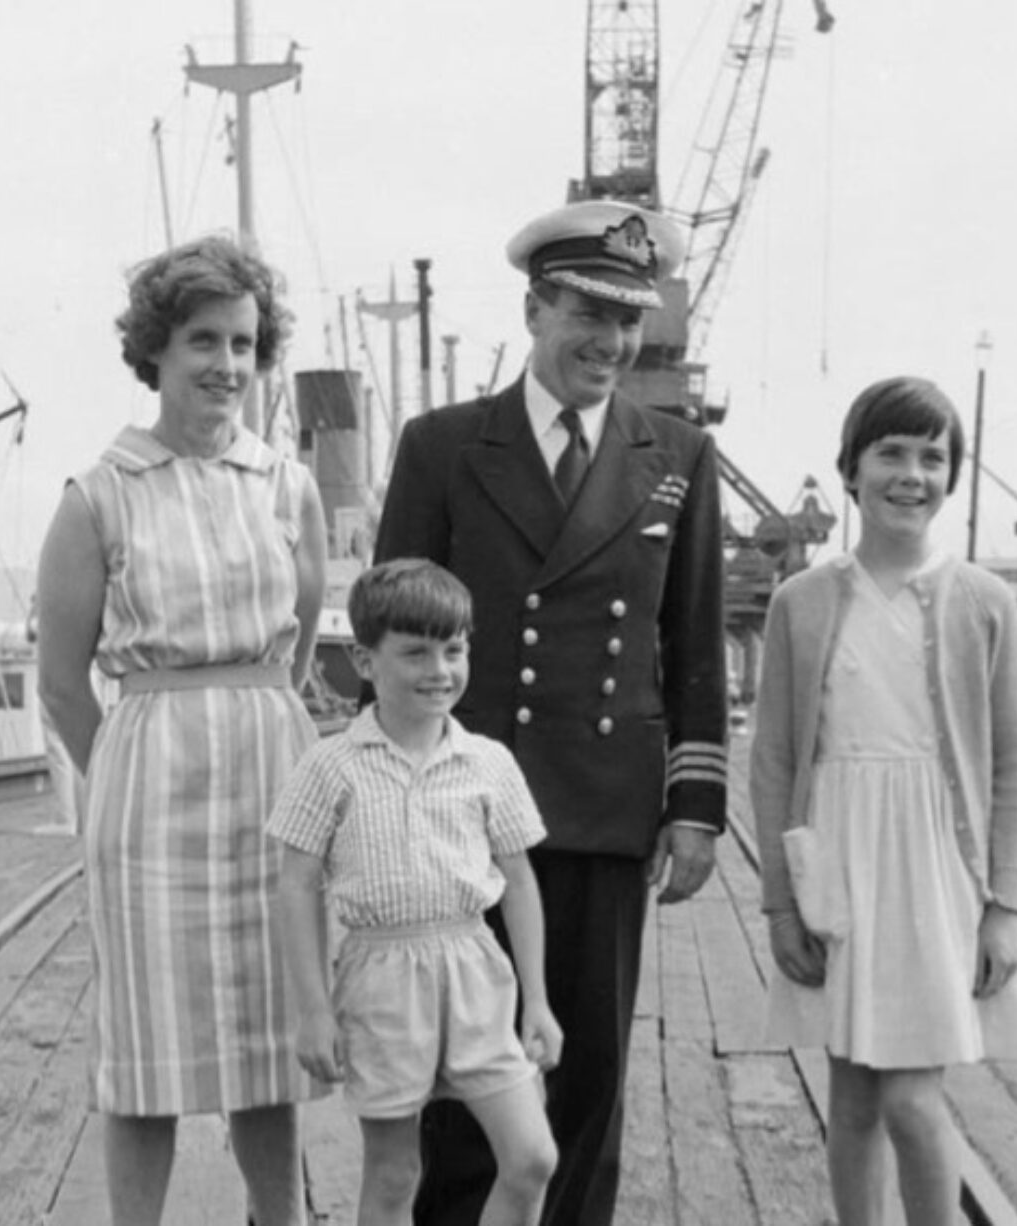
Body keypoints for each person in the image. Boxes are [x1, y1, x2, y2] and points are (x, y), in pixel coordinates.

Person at [373, 199, 729, 1226]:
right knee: (459, 1075)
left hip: (605, 806)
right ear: (535, 308)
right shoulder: (444, 447)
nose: (611, 341)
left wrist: (695, 805)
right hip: (461, 811)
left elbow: (692, 643)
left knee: (588, 1080)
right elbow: (396, 629)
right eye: (588, 312)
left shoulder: (676, 455)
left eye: (630, 320)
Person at [35, 233, 328, 1226]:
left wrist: (254, 725)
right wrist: (123, 774)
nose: (226, 365)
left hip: (269, 781)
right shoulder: (98, 495)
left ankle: (277, 1215)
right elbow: (63, 682)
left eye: (244, 343)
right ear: (155, 349)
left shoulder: (288, 487)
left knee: (269, 1026)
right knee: (145, 1043)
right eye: (204, 339)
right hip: (146, 790)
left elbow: (296, 652)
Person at [750, 377, 1017, 1226]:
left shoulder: (985, 602)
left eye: (932, 457)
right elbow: (773, 760)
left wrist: (1007, 905)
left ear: (952, 476)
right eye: (890, 453)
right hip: (840, 863)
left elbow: (1016, 764)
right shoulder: (800, 602)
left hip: (936, 867)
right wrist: (779, 905)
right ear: (850, 469)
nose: (910, 474)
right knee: (851, 1097)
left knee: (913, 1102)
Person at [271, 559, 562, 1226]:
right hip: (380, 979)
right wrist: (313, 1011)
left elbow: (518, 880)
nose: (439, 670)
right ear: (366, 660)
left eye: (454, 650)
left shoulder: (488, 762)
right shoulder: (331, 766)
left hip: (476, 975)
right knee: (396, 1172)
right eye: (415, 653)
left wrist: (538, 1000)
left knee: (531, 1157)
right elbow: (296, 884)